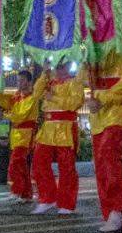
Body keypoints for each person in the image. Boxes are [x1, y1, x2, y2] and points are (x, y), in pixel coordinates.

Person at [86, 36, 122, 232]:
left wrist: (100, 97)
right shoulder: (94, 44)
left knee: (109, 156)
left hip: (117, 113)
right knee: (101, 164)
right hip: (97, 116)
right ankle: (113, 211)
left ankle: (116, 209)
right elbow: (84, 77)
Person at [31, 61, 85, 215]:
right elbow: (35, 94)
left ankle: (66, 203)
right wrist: (44, 73)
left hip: (65, 127)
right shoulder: (49, 81)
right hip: (48, 127)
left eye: (62, 65)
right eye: (57, 65)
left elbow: (75, 103)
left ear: (68, 66)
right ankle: (47, 198)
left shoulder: (74, 82)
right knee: (39, 163)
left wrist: (53, 98)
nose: (59, 69)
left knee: (67, 167)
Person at [0, 70, 38, 202]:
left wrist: (6, 115)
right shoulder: (18, 96)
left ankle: (17, 190)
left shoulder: (31, 98)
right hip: (16, 134)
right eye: (18, 81)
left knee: (15, 163)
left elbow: (20, 116)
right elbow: (5, 102)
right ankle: (26, 194)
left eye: (22, 80)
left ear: (29, 81)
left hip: (26, 134)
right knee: (22, 165)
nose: (19, 83)